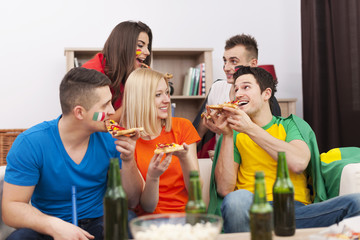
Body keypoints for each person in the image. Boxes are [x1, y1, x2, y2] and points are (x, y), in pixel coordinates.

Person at [205, 66, 360, 233]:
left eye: (246, 87)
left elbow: (298, 163)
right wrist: (227, 135)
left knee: (356, 203)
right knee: (236, 200)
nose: (238, 93)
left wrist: (250, 129)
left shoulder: (290, 124)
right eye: (236, 89)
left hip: (295, 212)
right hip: (251, 210)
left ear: (266, 94)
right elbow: (224, 189)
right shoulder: (234, 134)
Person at [2, 68, 143, 240]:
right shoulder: (31, 143)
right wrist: (53, 225)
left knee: (127, 221)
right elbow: (11, 209)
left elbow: (133, 201)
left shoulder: (111, 139)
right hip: (49, 227)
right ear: (79, 112)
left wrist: (128, 161)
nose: (113, 111)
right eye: (105, 105)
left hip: (99, 224)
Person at [121, 68, 201, 214]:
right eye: (158, 95)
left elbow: (197, 192)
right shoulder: (127, 141)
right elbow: (144, 206)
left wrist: (184, 159)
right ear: (140, 99)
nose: (167, 100)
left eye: (167, 92)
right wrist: (153, 177)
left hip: (186, 216)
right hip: (148, 222)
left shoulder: (183, 127)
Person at [194, 34, 281, 157]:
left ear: (253, 64)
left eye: (234, 61)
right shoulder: (217, 88)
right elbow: (198, 133)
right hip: (222, 160)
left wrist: (226, 131)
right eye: (225, 60)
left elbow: (273, 141)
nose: (226, 67)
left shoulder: (265, 99)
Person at [82, 20, 152, 122]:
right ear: (123, 45)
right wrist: (134, 100)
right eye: (140, 46)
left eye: (147, 46)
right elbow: (95, 121)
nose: (147, 52)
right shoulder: (91, 73)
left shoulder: (128, 73)